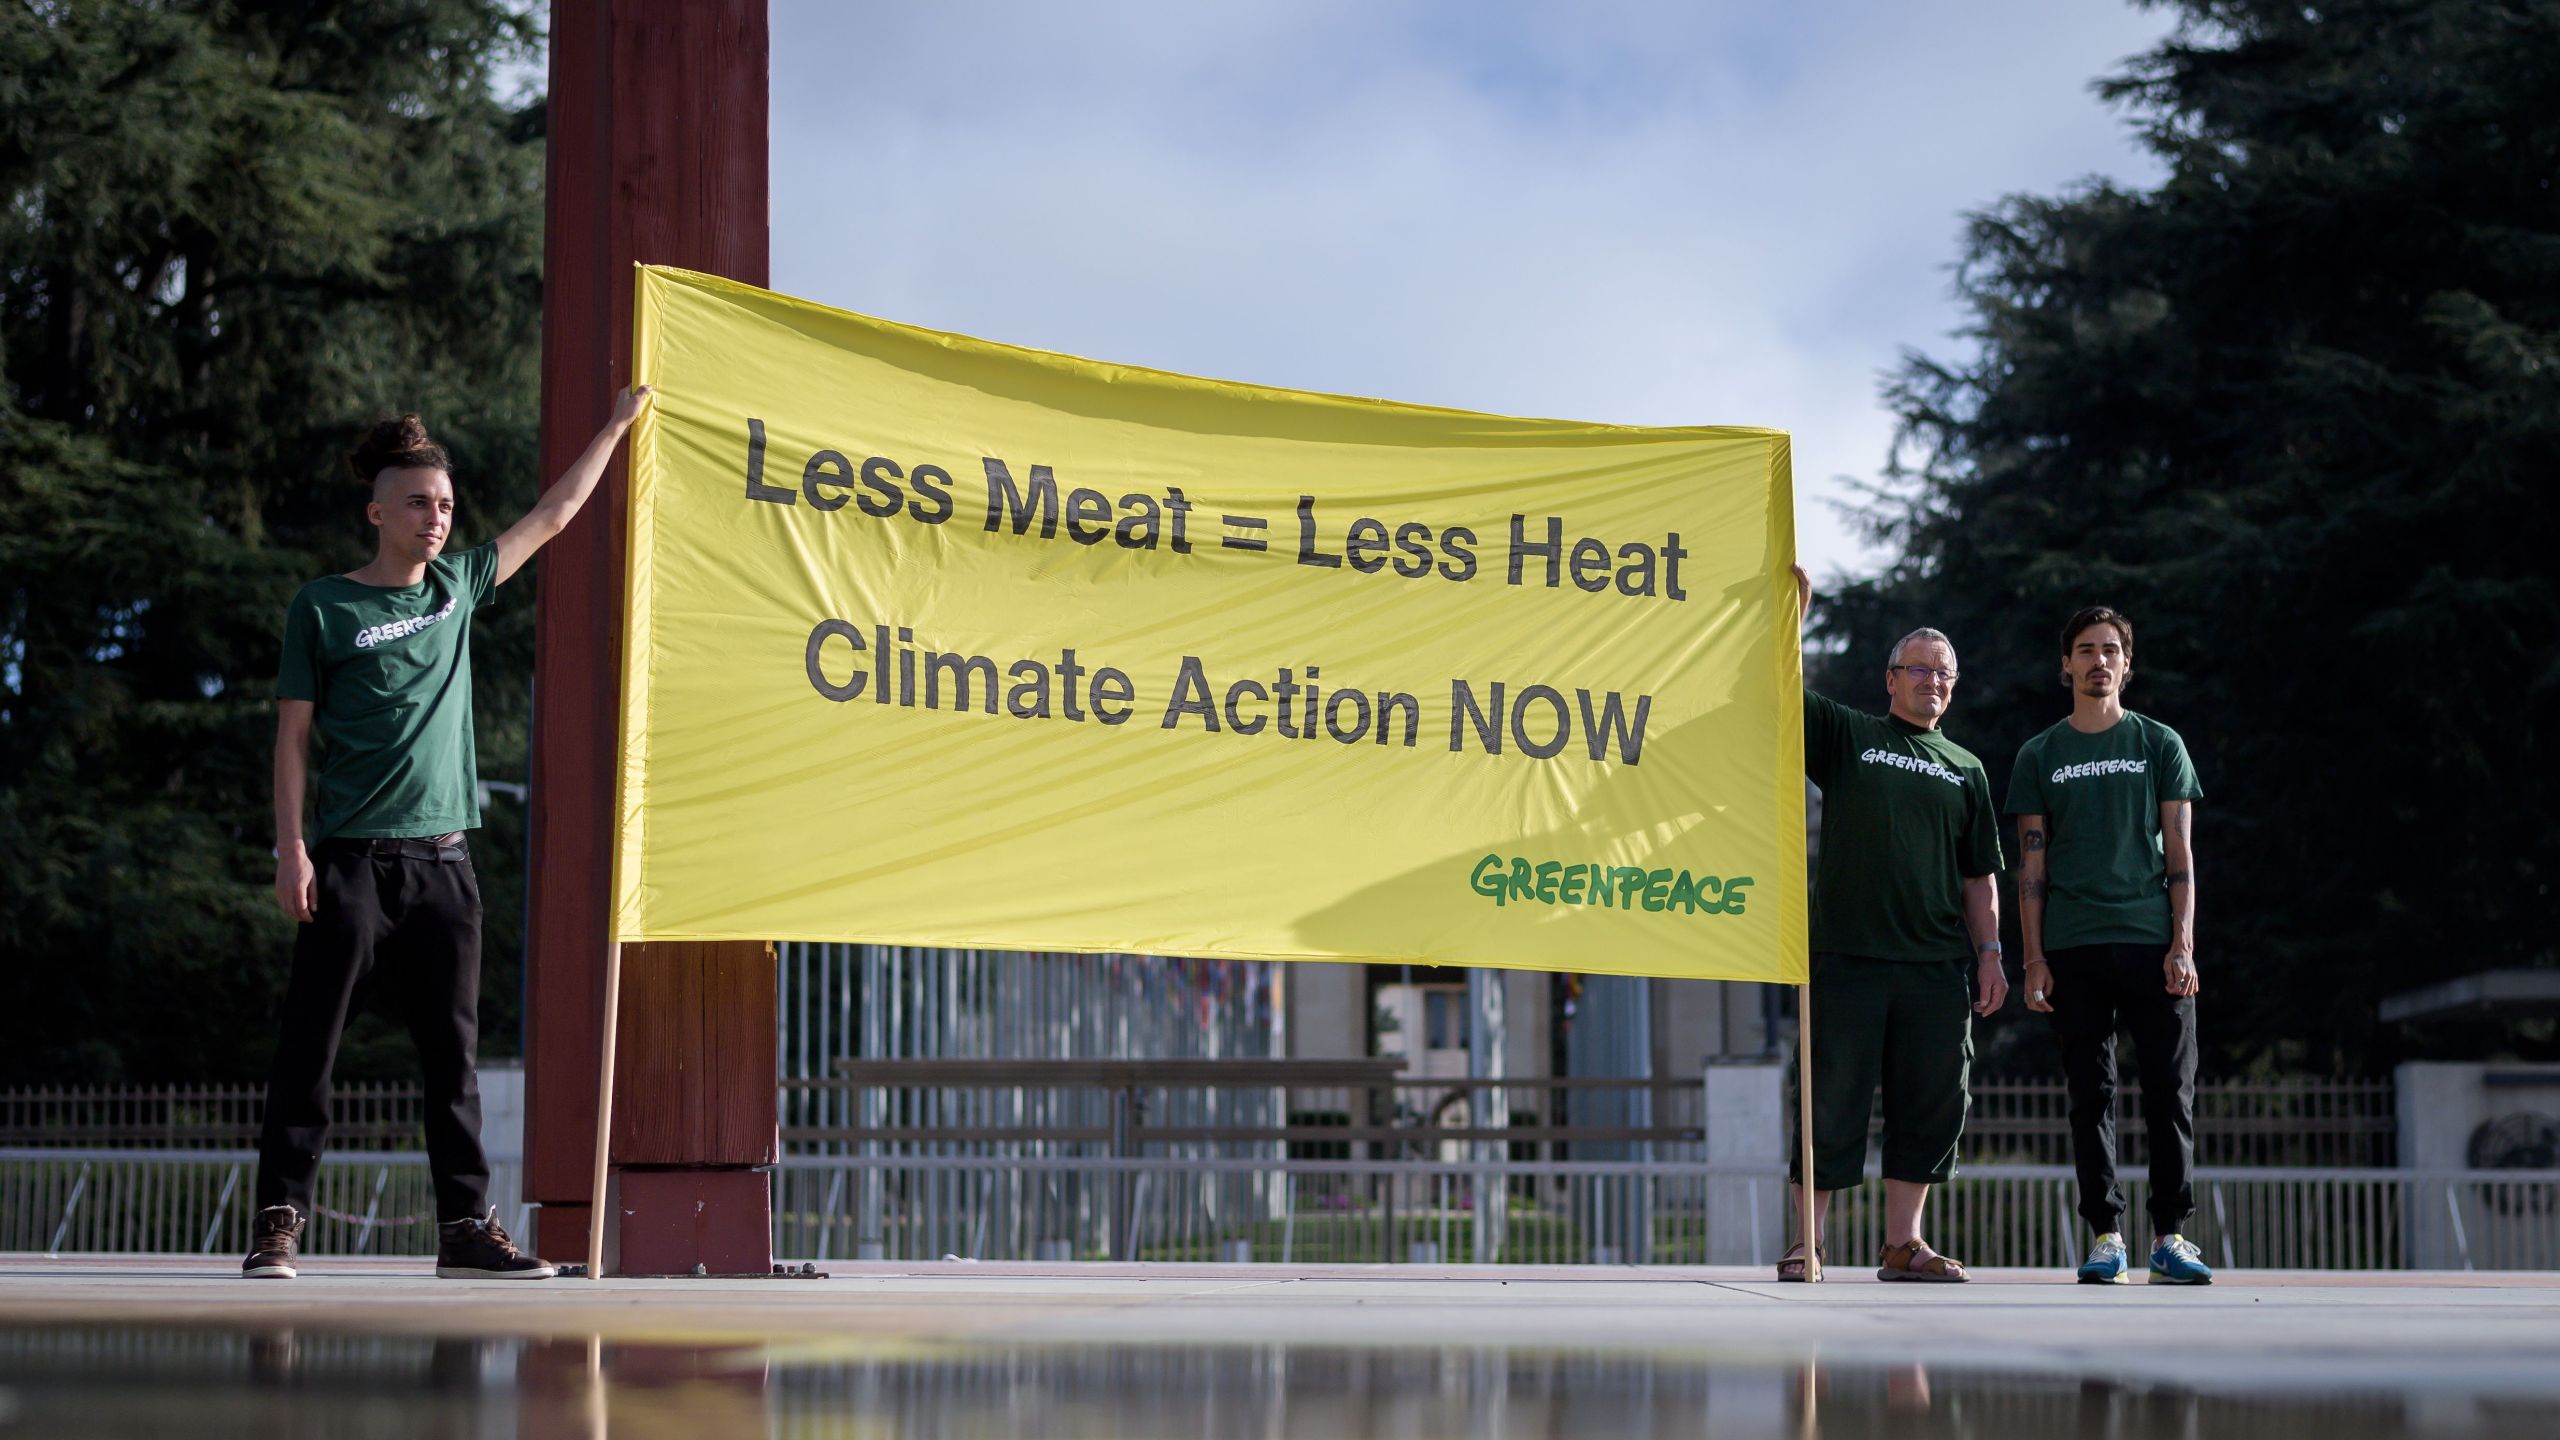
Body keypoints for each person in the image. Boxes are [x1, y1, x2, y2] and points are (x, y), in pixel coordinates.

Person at [245, 386, 652, 1280]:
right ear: (379, 511)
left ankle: (467, 1231)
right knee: (310, 1048)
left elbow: (552, 515)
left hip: (445, 865)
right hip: (351, 862)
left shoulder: (458, 587)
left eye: (448, 507)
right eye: (421, 504)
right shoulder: (322, 607)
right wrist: (292, 847)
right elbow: (293, 737)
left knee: (452, 1063)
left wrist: (616, 424)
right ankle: (278, 1222)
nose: (437, 519)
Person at [1782, 566, 2006, 1282]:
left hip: (1936, 968)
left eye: (1945, 674)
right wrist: (1796, 618)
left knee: (1933, 1103)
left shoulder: (1967, 768)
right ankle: (1807, 1245)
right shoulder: (1852, 737)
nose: (1933, 682)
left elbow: (1980, 876)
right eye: (1920, 669)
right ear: (1891, 679)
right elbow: (1781, 695)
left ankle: (1904, 1245)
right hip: (1847, 956)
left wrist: (1994, 954)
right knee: (1828, 1098)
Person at [2009, 605, 2210, 1285]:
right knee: (2089, 1095)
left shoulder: (2160, 745)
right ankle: (2105, 1236)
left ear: (2128, 663)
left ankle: (2171, 1237)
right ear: (2065, 664)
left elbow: (2180, 855)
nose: (2099, 661)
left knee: (2169, 1094)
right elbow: (2030, 868)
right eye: (2086, 650)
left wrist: (2182, 943)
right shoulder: (2040, 755)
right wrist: (2032, 959)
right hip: (2072, 948)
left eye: (2112, 650)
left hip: (2154, 942)